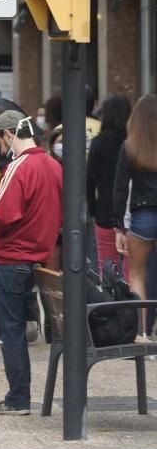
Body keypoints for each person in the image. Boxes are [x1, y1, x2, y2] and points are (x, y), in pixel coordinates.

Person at [0, 111, 62, 415]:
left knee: (9, 330)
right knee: (6, 316)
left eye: (0, 140)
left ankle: (17, 399)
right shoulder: (53, 165)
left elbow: (2, 217)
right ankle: (18, 396)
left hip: (11, 257)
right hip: (39, 258)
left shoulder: (18, 166)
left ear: (9, 134)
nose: (1, 148)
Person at [114, 94, 157, 327]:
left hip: (142, 215)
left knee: (137, 276)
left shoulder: (130, 146)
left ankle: (141, 334)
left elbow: (120, 189)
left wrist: (118, 226)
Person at [87, 95, 132, 275]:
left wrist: (93, 209)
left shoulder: (99, 142)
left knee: (106, 266)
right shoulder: (133, 142)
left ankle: (110, 302)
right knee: (131, 268)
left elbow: (89, 180)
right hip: (131, 212)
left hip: (104, 210)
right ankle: (133, 302)